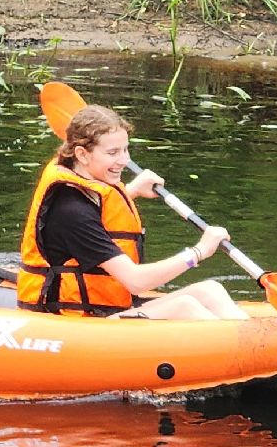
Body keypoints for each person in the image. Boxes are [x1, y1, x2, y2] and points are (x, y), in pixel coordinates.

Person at [16, 104, 248, 320]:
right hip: (76, 322)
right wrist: (198, 252)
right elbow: (136, 282)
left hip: (105, 310)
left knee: (210, 290)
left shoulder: (84, 187)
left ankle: (257, 345)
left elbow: (98, 214)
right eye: (113, 152)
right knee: (184, 306)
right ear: (82, 155)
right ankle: (248, 356)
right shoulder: (71, 210)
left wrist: (131, 191)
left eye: (125, 150)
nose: (124, 160)